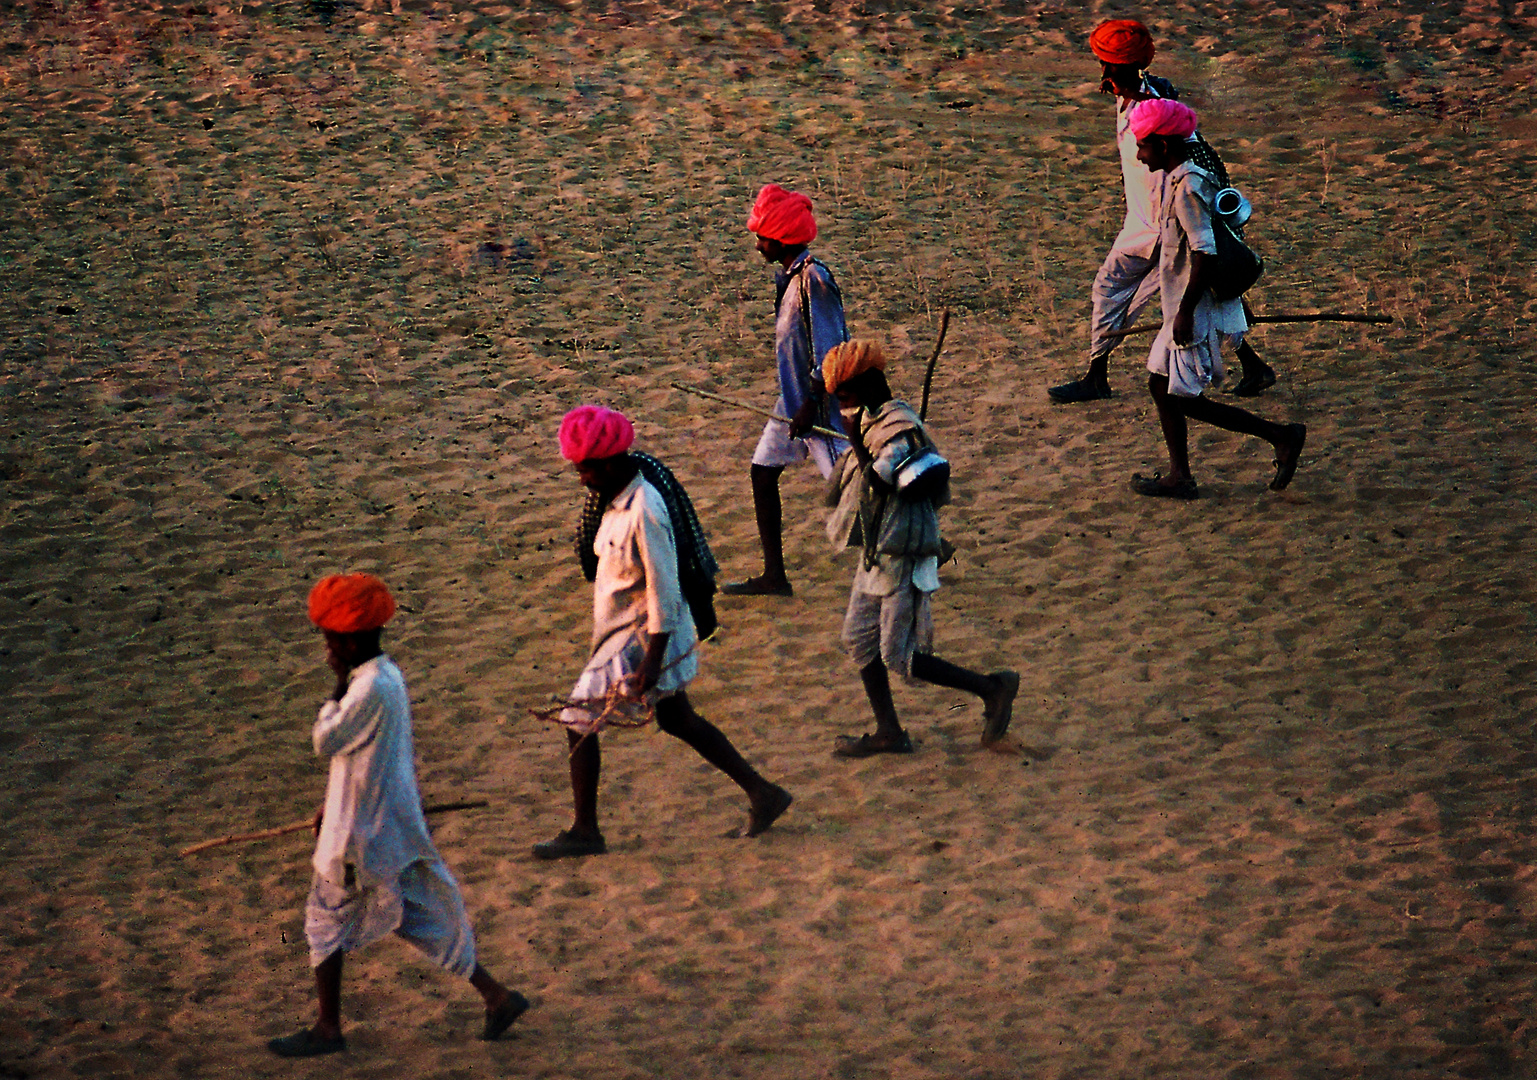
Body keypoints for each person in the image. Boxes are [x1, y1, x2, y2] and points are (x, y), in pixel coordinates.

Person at [269, 573, 527, 1058]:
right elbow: (365, 760)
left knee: (324, 922)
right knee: (419, 916)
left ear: (351, 639)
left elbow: (325, 741)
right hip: (388, 828)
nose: (326, 647)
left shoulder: (363, 690)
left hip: (359, 838)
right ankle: (497, 996)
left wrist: (335, 686)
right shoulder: (389, 677)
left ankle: (328, 1028)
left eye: (330, 638)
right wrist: (334, 802)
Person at [535, 405, 793, 859]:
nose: (582, 479)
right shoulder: (617, 502)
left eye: (587, 468)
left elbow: (664, 589)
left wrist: (650, 662)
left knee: (577, 720)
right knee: (678, 719)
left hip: (638, 638)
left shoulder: (644, 509)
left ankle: (585, 830)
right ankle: (762, 792)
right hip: (631, 634)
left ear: (611, 462)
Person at [1048, 19, 1276, 404]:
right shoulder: (1143, 96)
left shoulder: (1156, 111)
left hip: (1165, 228)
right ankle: (1252, 365)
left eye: (1111, 67)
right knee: (1185, 298)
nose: (1104, 75)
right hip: (1142, 224)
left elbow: (1193, 158)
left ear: (1130, 68)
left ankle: (1099, 376)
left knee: (1143, 296)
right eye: (1103, 66)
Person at [820, 341, 1020, 757]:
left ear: (861, 386)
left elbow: (881, 480)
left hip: (904, 552)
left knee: (899, 654)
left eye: (843, 396)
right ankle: (889, 731)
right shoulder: (878, 420)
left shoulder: (899, 429)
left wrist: (856, 441)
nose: (841, 406)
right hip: (879, 551)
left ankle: (991, 687)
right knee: (859, 640)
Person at [1125, 99, 1307, 499]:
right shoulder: (1184, 178)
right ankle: (1179, 475)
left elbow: (1204, 252)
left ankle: (1280, 435)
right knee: (1160, 385)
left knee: (1183, 396)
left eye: (1143, 146)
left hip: (1193, 305)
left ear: (1163, 145)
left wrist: (1186, 312)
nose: (1138, 154)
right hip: (1183, 303)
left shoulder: (1188, 186)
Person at [721, 183, 850, 598]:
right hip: (795, 399)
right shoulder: (790, 277)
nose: (758, 245)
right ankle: (774, 576)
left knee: (852, 489)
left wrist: (811, 404)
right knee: (762, 472)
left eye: (762, 237)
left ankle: (923, 548)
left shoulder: (814, 280)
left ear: (781, 238)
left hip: (819, 404)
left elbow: (830, 351)